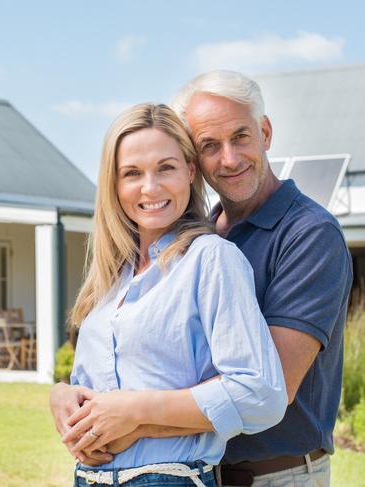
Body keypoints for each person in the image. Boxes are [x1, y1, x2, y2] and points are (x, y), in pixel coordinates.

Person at [52, 71, 353, 487]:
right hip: (197, 470)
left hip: (273, 474)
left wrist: (127, 420)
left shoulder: (306, 234)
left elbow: (270, 391)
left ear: (265, 132)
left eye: (241, 137)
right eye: (210, 144)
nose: (228, 159)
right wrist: (67, 396)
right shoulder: (190, 242)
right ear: (196, 158)